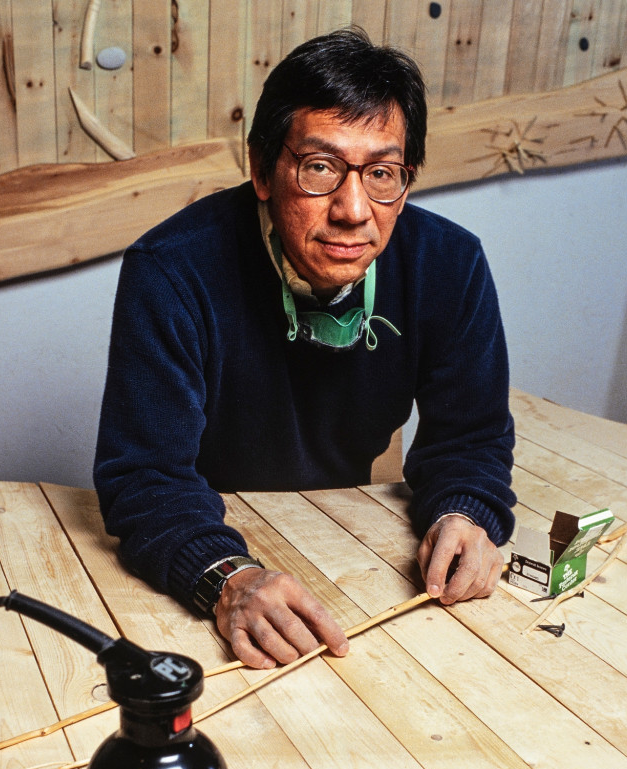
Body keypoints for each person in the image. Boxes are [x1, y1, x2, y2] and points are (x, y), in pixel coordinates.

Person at [93, 27, 516, 670]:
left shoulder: (450, 264)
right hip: (219, 529)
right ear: (262, 170)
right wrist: (223, 576)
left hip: (354, 539)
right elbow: (145, 476)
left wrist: (467, 513)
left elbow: (471, 439)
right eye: (320, 168)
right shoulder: (171, 269)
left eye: (381, 174)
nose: (353, 209)